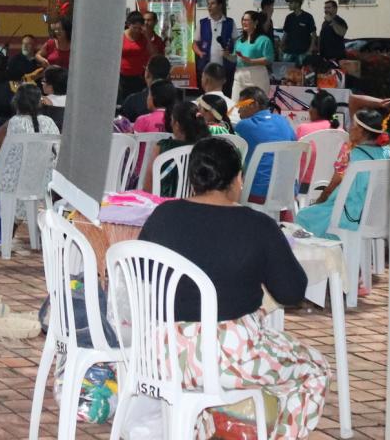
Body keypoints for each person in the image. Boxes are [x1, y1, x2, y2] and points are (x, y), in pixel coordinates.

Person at [136, 138, 332, 440]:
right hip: (229, 356)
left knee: (234, 375)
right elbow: (291, 292)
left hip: (161, 353)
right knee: (315, 368)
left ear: (193, 179)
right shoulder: (257, 225)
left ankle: (206, 429)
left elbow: (146, 277)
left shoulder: (163, 216)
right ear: (238, 179)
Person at [294, 107, 389, 241]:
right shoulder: (389, 155)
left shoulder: (349, 156)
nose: (349, 128)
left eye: (353, 126)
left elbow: (329, 190)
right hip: (379, 219)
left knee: (304, 216)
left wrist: (317, 203)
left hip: (349, 218)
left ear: (361, 131)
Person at [0, 83, 60, 203]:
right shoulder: (50, 122)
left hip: (11, 188)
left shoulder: (13, 123)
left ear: (16, 101)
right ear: (40, 102)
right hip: (43, 185)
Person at [232, 85, 297, 202]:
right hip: (288, 192)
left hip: (258, 193)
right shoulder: (283, 121)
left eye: (241, 105)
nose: (238, 110)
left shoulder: (244, 125)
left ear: (254, 104)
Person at [149, 101, 211, 196]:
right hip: (195, 204)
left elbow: (148, 184)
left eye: (171, 120)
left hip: (163, 204)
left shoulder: (162, 146)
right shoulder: (206, 147)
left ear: (177, 125)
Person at [230, 8, 275, 99]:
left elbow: (269, 59)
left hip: (257, 75)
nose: (244, 22)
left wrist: (251, 61)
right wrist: (227, 55)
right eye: (243, 20)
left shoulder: (264, 40)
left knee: (257, 105)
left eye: (247, 20)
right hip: (240, 75)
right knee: (235, 105)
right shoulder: (239, 41)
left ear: (255, 22)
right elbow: (235, 58)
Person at [195, 0, 236, 90]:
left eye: (212, 3)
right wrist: (200, 53)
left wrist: (231, 53)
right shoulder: (202, 22)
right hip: (206, 67)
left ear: (220, 5)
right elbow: (195, 43)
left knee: (225, 94)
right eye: (208, 4)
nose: (209, 6)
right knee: (207, 95)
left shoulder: (230, 22)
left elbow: (236, 42)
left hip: (225, 67)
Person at [120, 53, 175, 123]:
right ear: (168, 76)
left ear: (147, 74)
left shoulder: (132, 101)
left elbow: (121, 127)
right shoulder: (177, 102)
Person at [117, 12, 151, 100]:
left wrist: (147, 37)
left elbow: (153, 53)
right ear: (128, 25)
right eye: (134, 28)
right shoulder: (121, 36)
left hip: (138, 77)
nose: (137, 31)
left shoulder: (143, 38)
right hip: (122, 77)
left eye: (139, 28)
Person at [279, 0, 315, 64]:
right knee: (286, 72)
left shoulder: (308, 17)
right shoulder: (289, 17)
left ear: (297, 4)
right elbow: (286, 33)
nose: (289, 5)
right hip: (288, 52)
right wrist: (280, 46)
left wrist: (310, 49)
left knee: (302, 73)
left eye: (291, 3)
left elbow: (313, 34)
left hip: (303, 53)